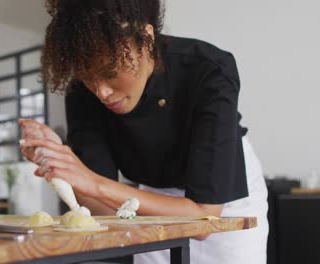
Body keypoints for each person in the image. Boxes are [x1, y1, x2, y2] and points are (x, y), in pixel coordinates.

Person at [18, 0, 268, 263]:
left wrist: (92, 181)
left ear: (146, 38)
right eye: (89, 77)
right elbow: (102, 208)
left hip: (223, 201)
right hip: (144, 200)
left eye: (110, 72)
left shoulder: (208, 69)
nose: (101, 91)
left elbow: (205, 215)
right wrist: (65, 164)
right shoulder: (83, 92)